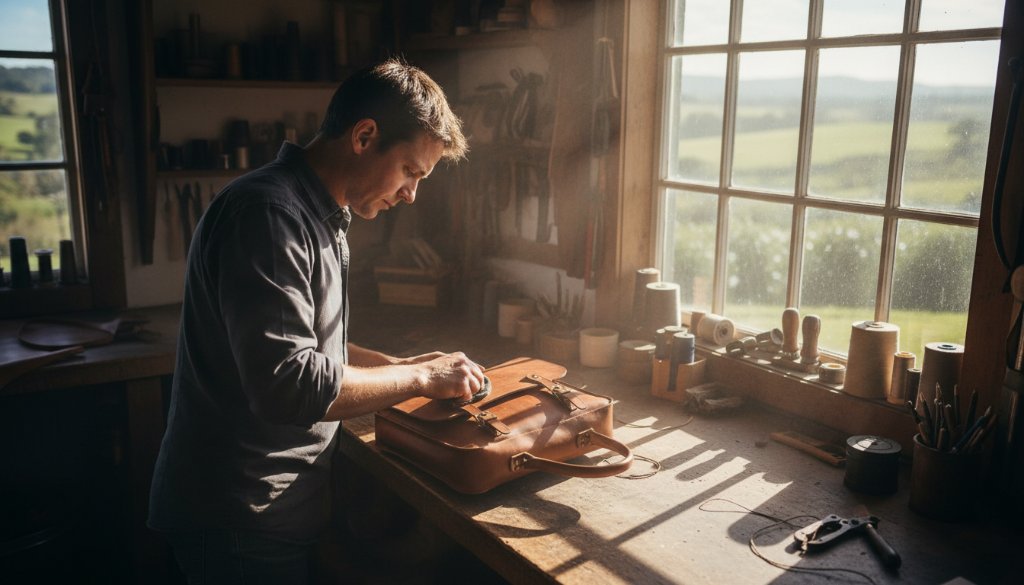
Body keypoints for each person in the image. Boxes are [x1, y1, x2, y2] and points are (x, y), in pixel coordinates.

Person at [148, 58, 483, 584]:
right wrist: (420, 379)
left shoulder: (319, 214)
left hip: (273, 513)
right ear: (365, 136)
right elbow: (289, 382)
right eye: (411, 171)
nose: (411, 194)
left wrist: (402, 364)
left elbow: (312, 349)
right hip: (239, 519)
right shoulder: (269, 214)